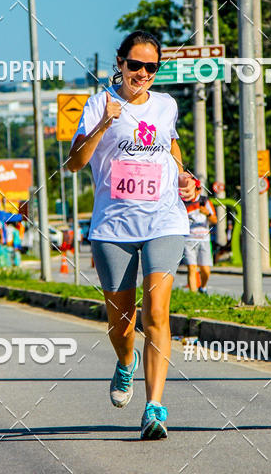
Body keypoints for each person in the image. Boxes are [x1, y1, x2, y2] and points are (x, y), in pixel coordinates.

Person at [67, 30, 198, 440]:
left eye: (151, 67)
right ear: (119, 64)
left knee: (157, 312)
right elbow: (73, 163)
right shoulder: (98, 103)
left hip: (164, 220)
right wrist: (105, 121)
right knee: (122, 324)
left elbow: (170, 149)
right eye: (135, 65)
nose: (142, 73)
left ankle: (155, 406)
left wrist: (185, 177)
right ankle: (126, 361)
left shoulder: (166, 104)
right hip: (113, 227)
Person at [183, 195, 217, 294]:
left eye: (198, 188)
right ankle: (193, 296)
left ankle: (203, 287)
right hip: (189, 239)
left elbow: (215, 220)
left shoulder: (205, 201)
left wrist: (208, 214)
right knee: (192, 268)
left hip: (204, 239)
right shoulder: (184, 202)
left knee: (205, 270)